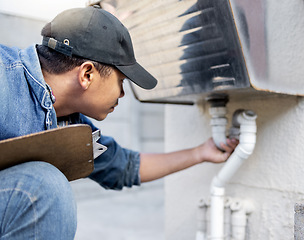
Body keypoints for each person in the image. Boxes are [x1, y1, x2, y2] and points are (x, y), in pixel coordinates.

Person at [0, 5, 238, 239]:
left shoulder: (71, 126)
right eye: (121, 81)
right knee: (45, 189)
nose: (122, 94)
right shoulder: (4, 78)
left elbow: (124, 166)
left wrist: (200, 153)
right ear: (87, 74)